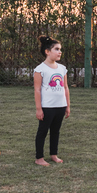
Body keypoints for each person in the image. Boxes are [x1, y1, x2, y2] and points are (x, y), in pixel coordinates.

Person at [33, 36, 71, 167]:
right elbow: (37, 90)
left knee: (56, 131)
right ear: (47, 52)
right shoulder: (40, 69)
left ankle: (53, 154)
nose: (60, 52)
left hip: (60, 106)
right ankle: (39, 158)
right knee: (42, 132)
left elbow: (65, 88)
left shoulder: (62, 68)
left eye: (60, 49)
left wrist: (67, 106)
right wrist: (39, 109)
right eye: (57, 49)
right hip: (47, 107)